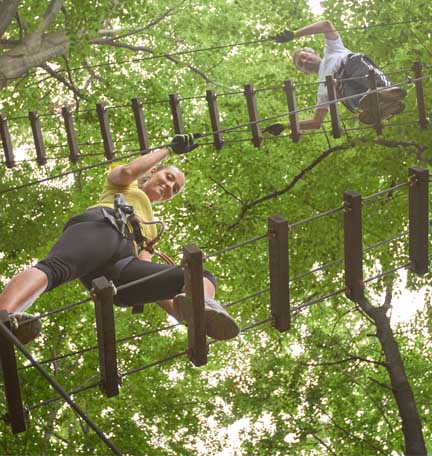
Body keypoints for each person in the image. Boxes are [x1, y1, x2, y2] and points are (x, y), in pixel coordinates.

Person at [0, 134, 240, 345]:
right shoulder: (126, 185)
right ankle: (5, 314)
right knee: (55, 269)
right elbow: (127, 171)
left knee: (198, 275)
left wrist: (177, 311)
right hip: (102, 228)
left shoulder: (151, 229)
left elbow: (145, 271)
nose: (169, 186)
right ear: (153, 172)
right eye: (168, 177)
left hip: (121, 267)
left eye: (175, 188)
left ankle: (200, 307)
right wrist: (169, 150)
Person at [265, 20, 406, 135]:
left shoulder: (332, 50)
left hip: (351, 66)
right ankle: (382, 109)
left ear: (315, 53)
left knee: (357, 66)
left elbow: (326, 25)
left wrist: (295, 34)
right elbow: (316, 122)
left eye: (304, 57)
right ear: (305, 72)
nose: (305, 62)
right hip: (350, 93)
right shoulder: (322, 90)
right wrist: (286, 125)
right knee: (344, 93)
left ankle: (386, 92)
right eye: (301, 64)